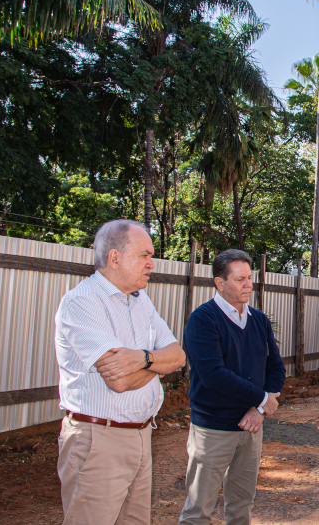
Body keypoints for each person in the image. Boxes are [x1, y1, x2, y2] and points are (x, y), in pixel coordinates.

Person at [54, 219, 187, 525]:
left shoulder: (141, 301)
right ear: (114, 258)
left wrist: (141, 358)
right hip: (99, 440)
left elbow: (178, 355)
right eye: (144, 255)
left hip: (140, 436)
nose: (152, 263)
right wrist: (158, 363)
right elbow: (120, 381)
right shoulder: (83, 302)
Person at [179, 249, 286, 525]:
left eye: (249, 278)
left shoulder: (259, 320)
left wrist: (258, 409)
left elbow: (276, 367)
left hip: (251, 428)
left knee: (241, 508)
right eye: (240, 279)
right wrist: (262, 398)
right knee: (197, 511)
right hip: (213, 430)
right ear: (220, 283)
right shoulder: (203, 320)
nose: (248, 284)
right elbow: (214, 375)